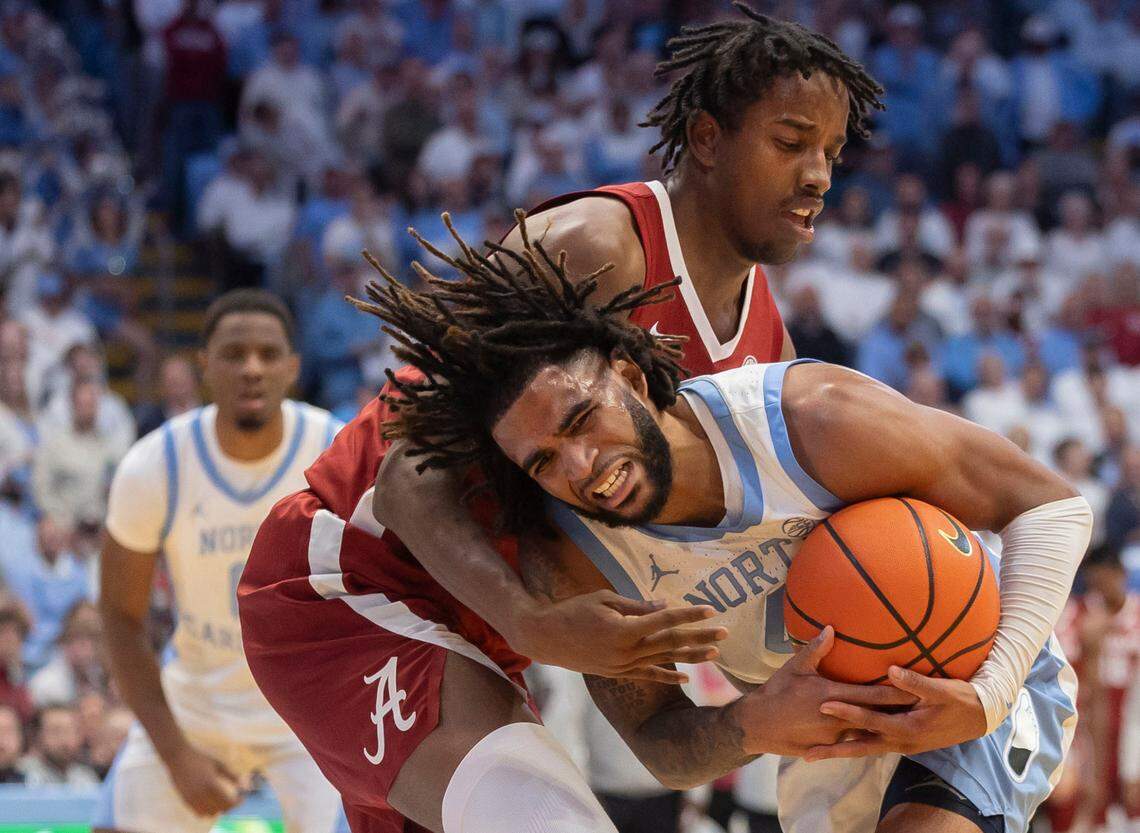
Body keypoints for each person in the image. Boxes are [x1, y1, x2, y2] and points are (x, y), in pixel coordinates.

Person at [240, 10, 887, 832]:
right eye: (792, 141)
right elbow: (408, 480)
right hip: (350, 582)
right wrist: (532, 622)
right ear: (709, 137)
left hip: (490, 629)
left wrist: (765, 717)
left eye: (831, 151)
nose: (819, 174)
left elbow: (657, 737)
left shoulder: (765, 354)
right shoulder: (593, 247)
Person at [347, 225, 1090, 833]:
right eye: (543, 460)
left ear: (630, 377)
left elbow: (1051, 504)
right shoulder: (576, 565)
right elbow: (661, 743)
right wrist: (752, 723)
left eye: (583, 419)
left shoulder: (812, 421)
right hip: (829, 738)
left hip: (977, 670)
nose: (581, 465)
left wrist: (989, 691)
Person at [94, 290, 344, 833]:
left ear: (292, 367)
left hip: (311, 707)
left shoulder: (335, 450)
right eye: (234, 354)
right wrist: (177, 757)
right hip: (197, 702)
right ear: (205, 366)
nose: (251, 368)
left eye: (267, 354)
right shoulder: (154, 464)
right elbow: (119, 616)